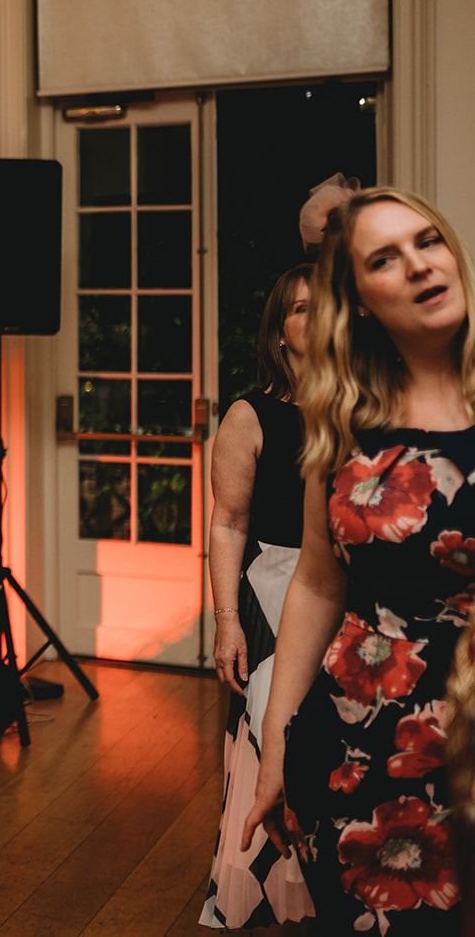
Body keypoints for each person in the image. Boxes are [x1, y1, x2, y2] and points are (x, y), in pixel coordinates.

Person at [244, 188, 473, 933]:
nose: (418, 264)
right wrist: (276, 744)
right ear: (360, 301)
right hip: (352, 748)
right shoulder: (341, 421)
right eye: (384, 258)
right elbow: (315, 580)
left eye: (428, 241)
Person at [200, 265, 316, 928]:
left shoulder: (368, 405)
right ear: (279, 332)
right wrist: (225, 622)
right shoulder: (251, 413)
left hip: (347, 587)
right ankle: (260, 885)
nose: (315, 318)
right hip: (270, 582)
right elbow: (228, 521)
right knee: (270, 729)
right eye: (300, 309)